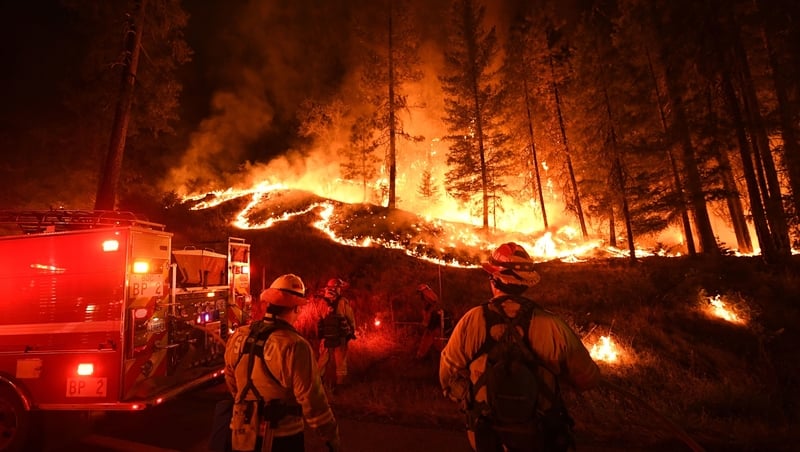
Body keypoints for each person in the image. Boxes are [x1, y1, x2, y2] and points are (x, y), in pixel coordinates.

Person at [439, 242, 600, 452]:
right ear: (525, 284)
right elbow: (588, 379)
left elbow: (446, 377)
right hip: (540, 436)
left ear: (494, 280)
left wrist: (473, 396)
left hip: (487, 436)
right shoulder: (552, 326)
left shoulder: (473, 321)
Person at [223, 274, 341, 452]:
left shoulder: (239, 335)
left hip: (240, 435)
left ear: (269, 304)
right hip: (281, 437)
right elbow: (313, 401)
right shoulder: (295, 345)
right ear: (295, 308)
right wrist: (332, 438)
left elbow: (232, 382)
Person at [316, 278, 356, 387]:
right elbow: (350, 318)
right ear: (336, 288)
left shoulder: (322, 302)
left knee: (323, 359)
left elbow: (319, 318)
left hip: (325, 336)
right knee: (341, 361)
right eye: (339, 287)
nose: (340, 290)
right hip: (341, 336)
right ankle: (340, 385)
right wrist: (352, 330)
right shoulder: (343, 301)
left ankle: (317, 382)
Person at [416, 283, 442, 360]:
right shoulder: (430, 297)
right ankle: (443, 353)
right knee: (435, 337)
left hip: (432, 320)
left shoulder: (427, 295)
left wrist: (425, 323)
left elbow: (433, 303)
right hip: (433, 320)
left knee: (429, 337)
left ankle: (420, 356)